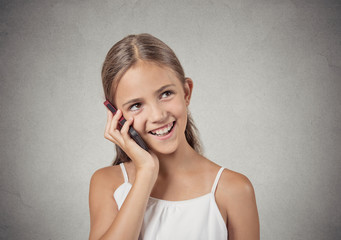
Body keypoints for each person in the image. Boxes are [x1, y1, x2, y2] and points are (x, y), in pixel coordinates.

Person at [89, 33, 259, 240]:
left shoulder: (234, 190)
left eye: (166, 94)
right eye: (136, 105)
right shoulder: (107, 183)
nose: (158, 115)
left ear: (186, 92)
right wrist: (145, 172)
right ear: (117, 116)